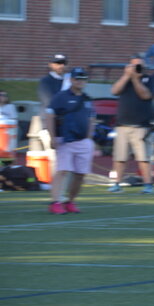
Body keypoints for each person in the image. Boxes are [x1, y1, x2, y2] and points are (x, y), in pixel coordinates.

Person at [44, 67, 95, 214]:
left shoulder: (87, 98)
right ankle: (55, 202)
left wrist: (89, 138)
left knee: (80, 174)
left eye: (83, 79)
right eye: (77, 78)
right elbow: (49, 116)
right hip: (65, 139)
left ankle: (70, 201)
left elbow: (92, 118)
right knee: (62, 171)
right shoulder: (61, 96)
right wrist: (52, 137)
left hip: (83, 141)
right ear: (71, 80)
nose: (80, 81)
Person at [108, 55, 154, 194]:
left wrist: (135, 79)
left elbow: (145, 95)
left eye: (139, 66)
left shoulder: (149, 79)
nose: (136, 68)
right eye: (133, 66)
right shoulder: (125, 79)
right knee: (120, 157)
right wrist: (126, 76)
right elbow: (114, 91)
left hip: (141, 126)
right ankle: (117, 183)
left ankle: (148, 185)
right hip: (122, 125)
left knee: (143, 157)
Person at [38, 54, 71, 122]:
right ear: (51, 65)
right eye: (58, 63)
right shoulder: (45, 81)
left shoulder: (70, 80)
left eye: (64, 63)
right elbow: (48, 101)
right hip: (49, 119)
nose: (61, 66)